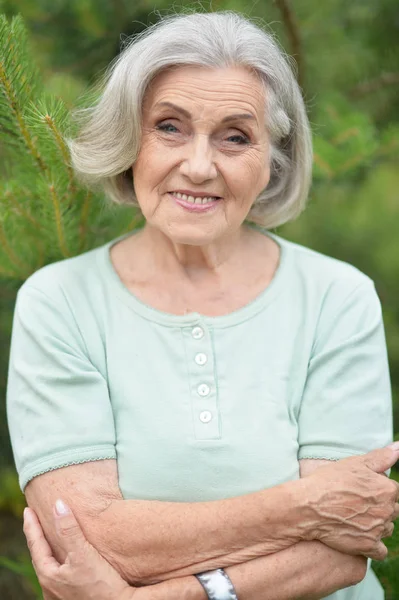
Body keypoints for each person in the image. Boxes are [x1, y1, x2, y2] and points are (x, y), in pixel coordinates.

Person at [6, 10, 399, 600]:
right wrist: (307, 504)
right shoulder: (59, 302)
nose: (198, 165)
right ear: (127, 141)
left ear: (275, 160)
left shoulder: (336, 298)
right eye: (169, 127)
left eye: (235, 137)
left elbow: (343, 551)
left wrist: (176, 595)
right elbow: (88, 536)